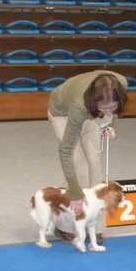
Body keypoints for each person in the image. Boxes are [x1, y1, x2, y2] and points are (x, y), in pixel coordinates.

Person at [48, 70, 128, 240]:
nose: (109, 112)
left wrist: (111, 125)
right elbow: (65, 151)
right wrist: (76, 194)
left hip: (91, 113)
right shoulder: (79, 107)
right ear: (94, 101)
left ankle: (94, 226)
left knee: (95, 164)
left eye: (112, 107)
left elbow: (113, 112)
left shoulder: (121, 84)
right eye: (104, 108)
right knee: (80, 168)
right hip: (64, 115)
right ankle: (65, 226)